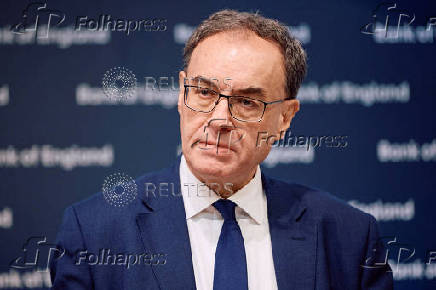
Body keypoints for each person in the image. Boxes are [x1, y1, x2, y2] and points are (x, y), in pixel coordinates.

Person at [50, 9, 394, 290]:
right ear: (182, 94)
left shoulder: (349, 237)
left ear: (285, 118)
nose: (219, 119)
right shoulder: (94, 233)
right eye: (203, 92)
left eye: (246, 101)